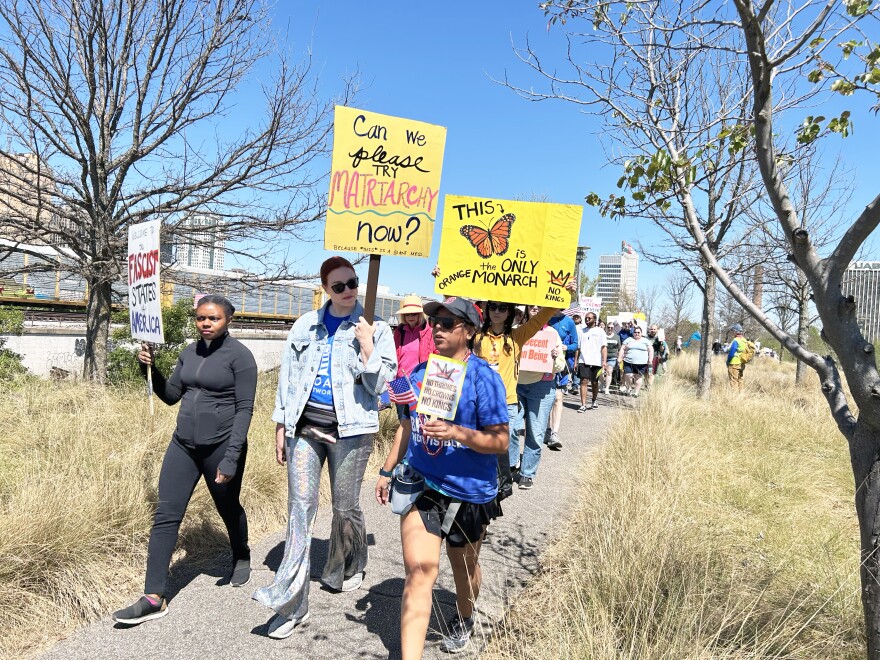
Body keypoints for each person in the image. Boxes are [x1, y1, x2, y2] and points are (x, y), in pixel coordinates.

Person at [253, 256, 397, 639]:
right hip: (305, 429)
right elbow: (288, 377)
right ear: (325, 289)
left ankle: (348, 564)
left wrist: (367, 348)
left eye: (352, 283)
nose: (349, 291)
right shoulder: (305, 325)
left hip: (352, 432)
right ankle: (291, 603)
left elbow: (382, 387)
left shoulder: (377, 329)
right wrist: (281, 426)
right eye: (340, 286)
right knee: (300, 509)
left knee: (345, 506)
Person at [375, 297, 508, 658]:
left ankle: (464, 616)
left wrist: (457, 433)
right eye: (435, 322)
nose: (437, 328)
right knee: (420, 572)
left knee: (463, 571)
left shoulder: (484, 378)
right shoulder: (421, 374)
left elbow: (501, 441)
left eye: (448, 323)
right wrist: (387, 470)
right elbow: (406, 425)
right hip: (423, 485)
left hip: (470, 493)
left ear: (469, 331)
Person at [112, 295, 257, 625]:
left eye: (214, 318)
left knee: (227, 505)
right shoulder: (188, 353)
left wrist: (231, 458)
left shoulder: (241, 357)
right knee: (166, 514)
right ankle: (154, 597)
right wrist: (148, 368)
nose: (206, 323)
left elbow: (245, 409)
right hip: (183, 446)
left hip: (221, 447)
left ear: (228, 320)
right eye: (201, 318)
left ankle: (241, 553)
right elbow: (171, 396)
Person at [470, 281, 575, 498]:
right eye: (493, 306)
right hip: (479, 403)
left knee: (501, 447)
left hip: (506, 403)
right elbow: (456, 314)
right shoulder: (478, 337)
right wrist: (445, 289)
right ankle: (481, 489)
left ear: (510, 312)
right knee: (478, 449)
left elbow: (541, 317)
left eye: (502, 307)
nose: (497, 311)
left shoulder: (517, 336)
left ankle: (500, 487)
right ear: (487, 310)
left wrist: (564, 292)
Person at [514, 305, 566, 489]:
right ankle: (513, 463)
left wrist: (553, 359)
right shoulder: (516, 331)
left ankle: (527, 473)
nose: (535, 308)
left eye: (539, 306)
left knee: (535, 432)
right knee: (510, 428)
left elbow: (561, 365)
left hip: (542, 387)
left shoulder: (552, 334)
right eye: (532, 305)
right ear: (527, 309)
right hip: (516, 385)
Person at [547, 308, 578, 441]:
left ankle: (554, 432)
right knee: (546, 398)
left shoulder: (569, 322)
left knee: (558, 398)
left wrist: (567, 347)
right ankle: (546, 429)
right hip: (545, 363)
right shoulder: (545, 318)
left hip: (562, 365)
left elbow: (575, 344)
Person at [575, 311, 607, 411]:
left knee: (594, 383)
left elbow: (604, 347)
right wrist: (576, 361)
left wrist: (604, 362)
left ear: (595, 320)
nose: (587, 319)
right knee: (584, 381)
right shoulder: (581, 331)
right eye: (586, 318)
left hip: (596, 361)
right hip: (583, 360)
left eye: (589, 318)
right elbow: (578, 348)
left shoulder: (600, 331)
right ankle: (583, 404)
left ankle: (594, 399)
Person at [619, 326, 653, 398]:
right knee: (628, 375)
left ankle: (636, 392)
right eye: (635, 332)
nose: (636, 334)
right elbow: (622, 348)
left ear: (641, 333)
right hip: (628, 361)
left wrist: (650, 360)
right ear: (633, 333)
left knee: (638, 377)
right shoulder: (628, 340)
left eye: (638, 332)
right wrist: (620, 357)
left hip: (641, 363)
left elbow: (651, 350)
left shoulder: (646, 341)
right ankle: (629, 388)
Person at [603, 321, 621, 395]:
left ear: (613, 328)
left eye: (611, 328)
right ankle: (601, 384)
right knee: (600, 373)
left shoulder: (617, 337)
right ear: (606, 328)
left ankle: (607, 388)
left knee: (609, 372)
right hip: (602, 356)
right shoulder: (603, 335)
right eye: (608, 327)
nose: (610, 329)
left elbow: (619, 348)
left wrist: (619, 358)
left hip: (612, 357)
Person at [726, 324, 746, 390]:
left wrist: (728, 361)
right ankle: (741, 396)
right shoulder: (744, 340)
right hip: (742, 363)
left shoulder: (736, 340)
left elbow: (731, 353)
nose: (731, 332)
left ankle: (734, 398)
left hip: (734, 363)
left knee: (733, 381)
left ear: (735, 331)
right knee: (740, 380)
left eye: (732, 330)